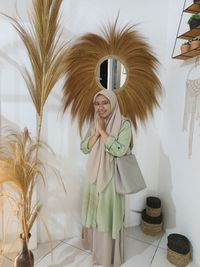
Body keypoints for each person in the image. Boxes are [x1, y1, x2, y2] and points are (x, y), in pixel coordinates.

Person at [80, 89, 132, 267]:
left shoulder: (125, 124)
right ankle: (95, 248)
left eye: (105, 103)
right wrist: (96, 131)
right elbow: (84, 148)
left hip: (111, 178)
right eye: (97, 103)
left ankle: (108, 254)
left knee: (108, 214)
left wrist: (102, 132)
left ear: (113, 103)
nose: (100, 107)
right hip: (94, 175)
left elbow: (120, 150)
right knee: (96, 213)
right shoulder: (95, 122)